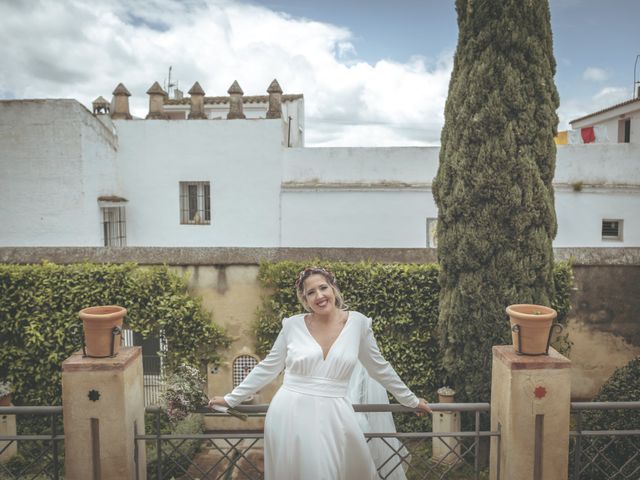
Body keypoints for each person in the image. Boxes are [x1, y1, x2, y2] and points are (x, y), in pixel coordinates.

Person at [209, 266, 431, 479]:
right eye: (311, 292)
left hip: (336, 414)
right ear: (305, 300)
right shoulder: (292, 326)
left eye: (323, 287)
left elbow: (379, 367)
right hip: (290, 413)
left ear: (333, 288)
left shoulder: (358, 324)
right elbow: (268, 367)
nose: (319, 296)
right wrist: (231, 399)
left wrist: (410, 400)